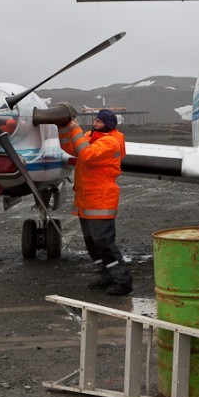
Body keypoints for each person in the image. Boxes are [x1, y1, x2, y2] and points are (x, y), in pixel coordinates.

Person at [59, 109, 132, 295]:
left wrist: (75, 129)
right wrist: (64, 127)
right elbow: (71, 148)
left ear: (108, 124)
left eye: (99, 121)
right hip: (87, 198)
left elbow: (87, 155)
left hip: (100, 199)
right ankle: (105, 274)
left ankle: (123, 281)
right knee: (91, 242)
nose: (94, 122)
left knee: (103, 242)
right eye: (95, 119)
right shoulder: (91, 136)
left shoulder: (110, 142)